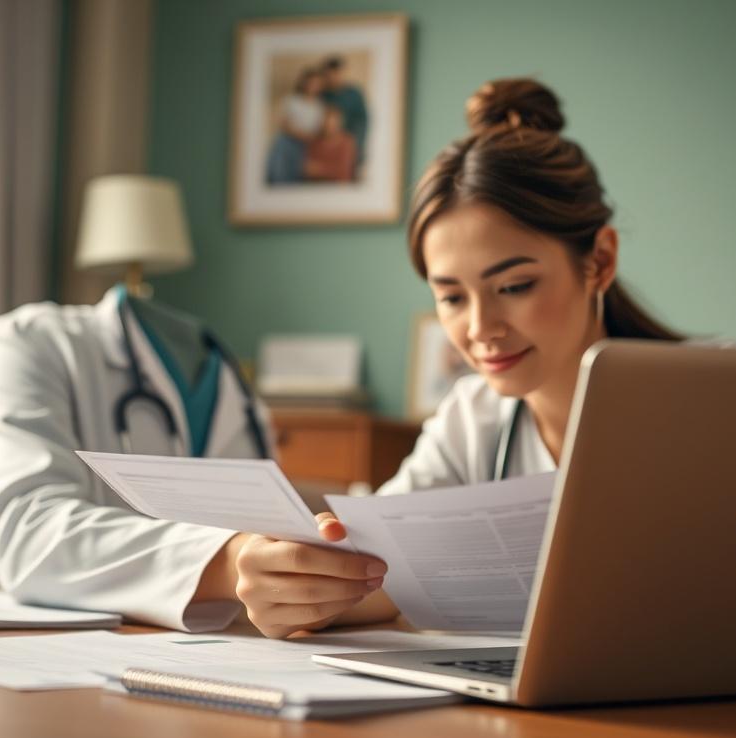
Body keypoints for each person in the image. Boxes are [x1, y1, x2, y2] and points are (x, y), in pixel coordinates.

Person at [229, 78, 693, 639]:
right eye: (451, 297)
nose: (479, 330)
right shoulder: (472, 418)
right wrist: (295, 586)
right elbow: (376, 579)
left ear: (599, 260)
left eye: (515, 285)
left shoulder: (726, 399)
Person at [0, 286, 282, 631]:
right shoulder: (33, 341)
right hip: (43, 647)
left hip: (216, 656)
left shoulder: (240, 396)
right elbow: (28, 538)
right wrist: (226, 562)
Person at [266, 68, 326, 184]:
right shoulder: (291, 100)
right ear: (304, 83)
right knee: (279, 172)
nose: (313, 86)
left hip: (307, 145)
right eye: (310, 83)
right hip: (287, 141)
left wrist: (309, 138)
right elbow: (284, 124)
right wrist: (300, 135)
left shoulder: (320, 106)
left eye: (317, 84)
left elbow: (319, 130)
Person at [320, 56, 368, 170]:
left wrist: (356, 144)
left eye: (336, 74)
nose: (333, 78)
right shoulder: (322, 95)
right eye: (329, 75)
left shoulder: (354, 94)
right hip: (328, 144)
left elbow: (362, 121)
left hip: (351, 142)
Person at [304, 105, 357, 182]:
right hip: (318, 188)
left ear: (339, 123)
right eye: (326, 122)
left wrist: (319, 169)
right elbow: (308, 169)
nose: (329, 126)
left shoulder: (347, 142)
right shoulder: (315, 142)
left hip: (339, 188)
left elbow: (344, 171)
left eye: (333, 122)